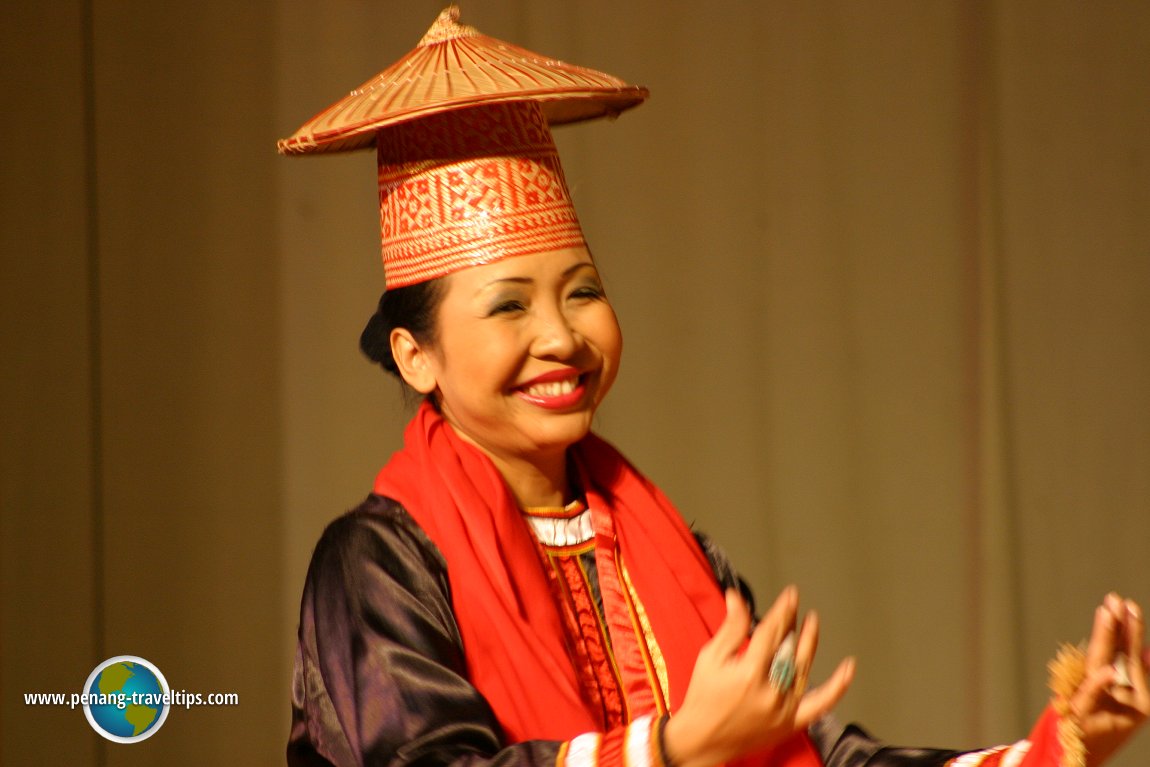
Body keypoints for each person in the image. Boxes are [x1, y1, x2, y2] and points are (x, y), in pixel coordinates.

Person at [280, 8, 1149, 767]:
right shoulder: (376, 566)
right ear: (414, 355)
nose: (561, 336)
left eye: (582, 290)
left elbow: (817, 758)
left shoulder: (669, 550)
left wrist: (1058, 742)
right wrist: (675, 747)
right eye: (509, 305)